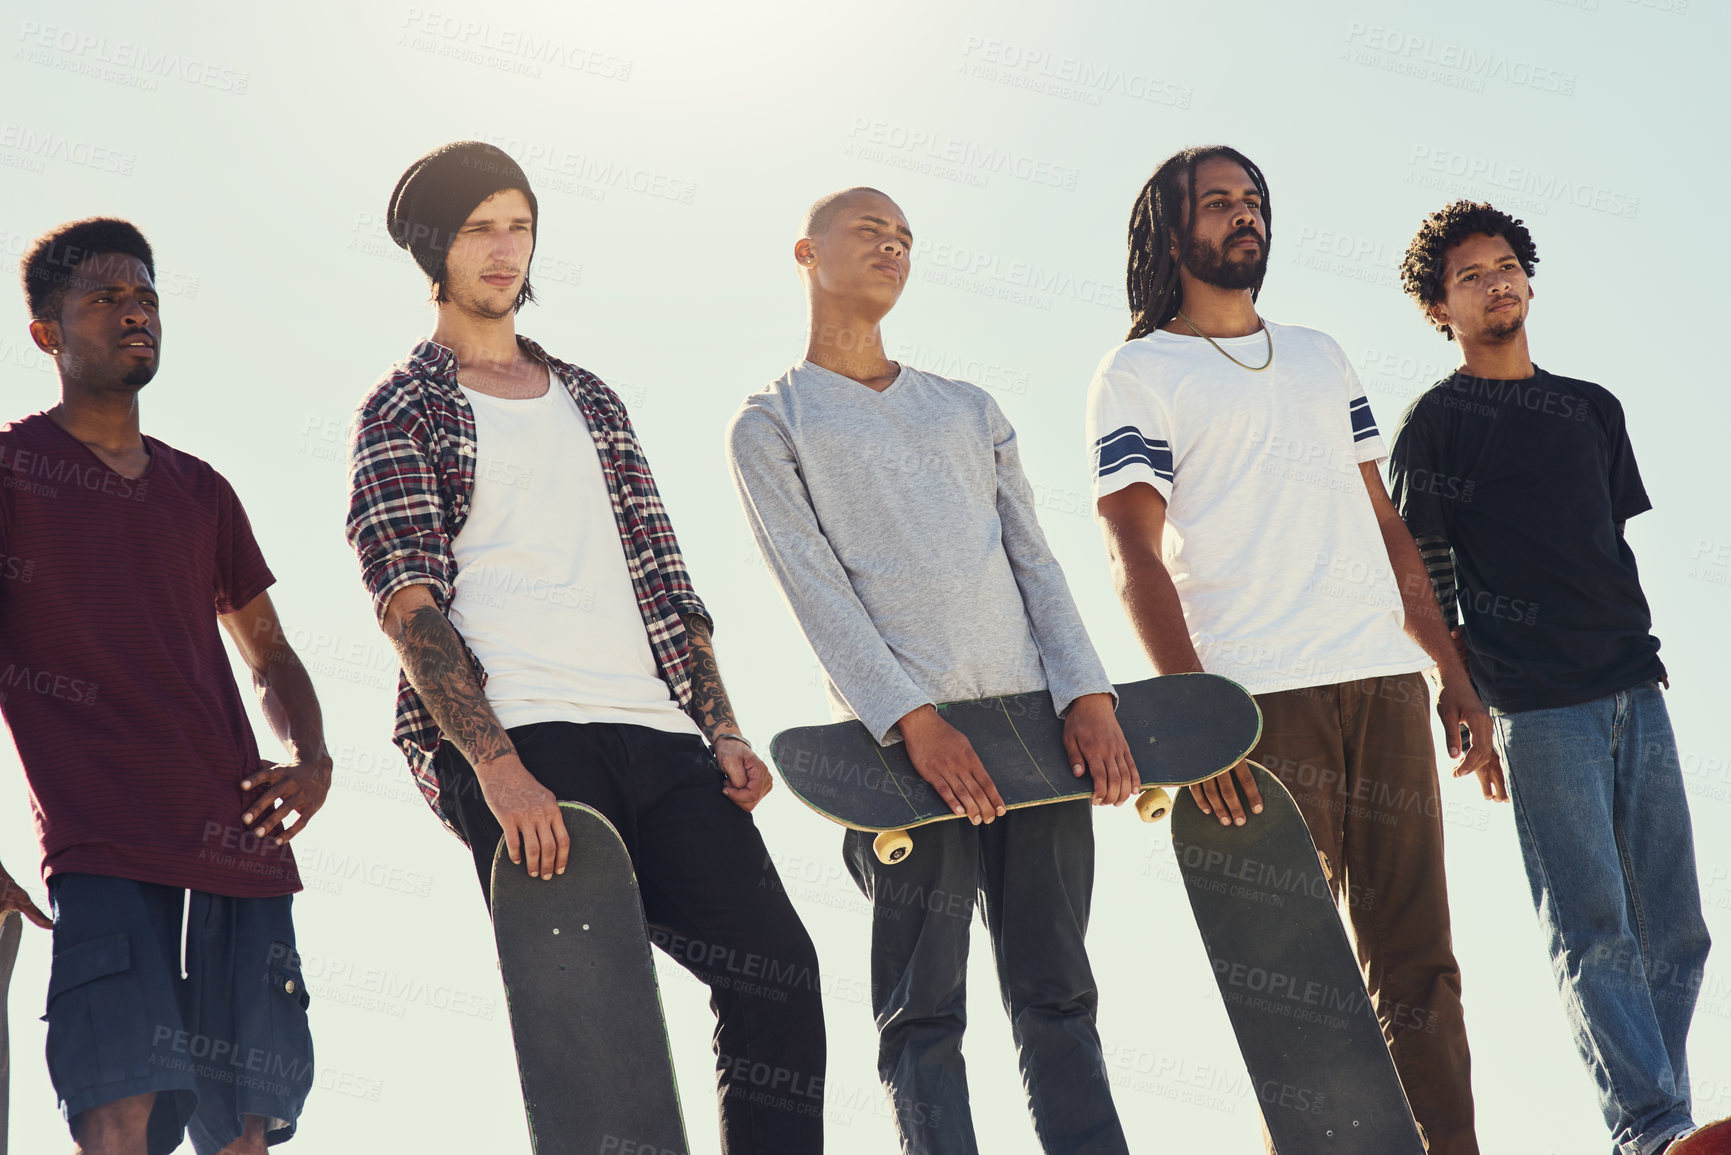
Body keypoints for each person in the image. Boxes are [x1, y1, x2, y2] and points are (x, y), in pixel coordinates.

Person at [343, 141, 824, 1150]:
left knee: (777, 973)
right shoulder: (405, 408)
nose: (505, 247)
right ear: (435, 246)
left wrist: (723, 726)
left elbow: (667, 583)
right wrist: (496, 768)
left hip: (661, 737)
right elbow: (409, 607)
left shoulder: (593, 400)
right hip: (528, 739)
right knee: (593, 1026)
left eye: (518, 224)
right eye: (480, 227)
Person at [1085, 146, 1490, 1154]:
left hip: (1382, 682)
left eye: (1253, 200)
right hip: (1258, 706)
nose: (1243, 216)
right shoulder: (1139, 371)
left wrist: (1451, 670)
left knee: (1423, 970)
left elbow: (1384, 526)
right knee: (1299, 997)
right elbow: (1132, 549)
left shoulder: (1318, 353)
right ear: (1172, 235)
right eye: (1218, 203)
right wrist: (1195, 721)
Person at [727, 186, 1137, 1155]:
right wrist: (913, 719)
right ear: (805, 251)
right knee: (922, 1010)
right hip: (900, 758)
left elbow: (1034, 559)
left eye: (906, 237)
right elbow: (815, 594)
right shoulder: (772, 423)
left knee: (1059, 993)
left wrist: (1087, 695)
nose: (892, 247)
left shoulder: (968, 408)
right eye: (869, 231)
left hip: (1037, 734)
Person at [1389, 200, 1721, 1155]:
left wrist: (1640, 672)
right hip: (1536, 708)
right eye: (1468, 276)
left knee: (1677, 931)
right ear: (1439, 308)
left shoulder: (1590, 407)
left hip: (1633, 684)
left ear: (1525, 277)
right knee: (1595, 930)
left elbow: (1603, 545)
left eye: (1504, 265)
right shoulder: (1439, 423)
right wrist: (1467, 702)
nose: (1495, 282)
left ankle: (1668, 1127)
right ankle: (1650, 1127)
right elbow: (1423, 581)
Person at [8, 218, 329, 1155]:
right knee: (121, 1110)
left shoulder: (202, 492)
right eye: (105, 298)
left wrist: (312, 757)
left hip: (237, 834)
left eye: (145, 296)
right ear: (47, 334)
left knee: (245, 1129)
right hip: (101, 836)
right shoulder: (12, 473)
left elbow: (267, 653)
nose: (134, 313)